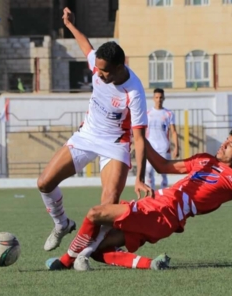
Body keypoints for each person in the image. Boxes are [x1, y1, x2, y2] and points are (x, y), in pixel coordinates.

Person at [46, 128, 232, 271]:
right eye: (227, 139)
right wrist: (139, 137)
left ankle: (65, 261)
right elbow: (163, 166)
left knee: (96, 213)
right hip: (159, 211)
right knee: (98, 251)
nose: (224, 144)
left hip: (162, 212)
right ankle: (152, 264)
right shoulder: (204, 160)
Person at [37, 7, 152, 252]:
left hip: (115, 144)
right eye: (97, 68)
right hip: (87, 135)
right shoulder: (99, 69)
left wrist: (140, 177)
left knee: (108, 203)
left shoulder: (134, 92)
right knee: (44, 183)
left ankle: (86, 251)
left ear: (120, 66)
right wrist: (69, 25)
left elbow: (140, 139)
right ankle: (62, 223)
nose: (98, 74)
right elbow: (86, 46)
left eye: (104, 70)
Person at [146, 88, 179, 190]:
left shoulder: (168, 114)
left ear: (163, 98)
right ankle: (151, 195)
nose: (158, 99)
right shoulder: (147, 113)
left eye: (160, 97)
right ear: (153, 98)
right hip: (150, 148)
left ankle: (162, 195)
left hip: (164, 148)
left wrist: (176, 147)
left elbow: (173, 131)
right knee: (148, 171)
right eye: (156, 97)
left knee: (163, 173)